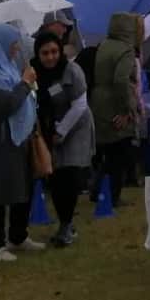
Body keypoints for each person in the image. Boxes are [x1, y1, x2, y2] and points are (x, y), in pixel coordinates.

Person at [0, 24, 46, 262]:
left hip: (20, 138)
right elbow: (5, 106)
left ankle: (18, 236)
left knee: (23, 187)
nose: (16, 49)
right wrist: (25, 84)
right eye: (12, 45)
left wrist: (28, 85)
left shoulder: (8, 68)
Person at [32, 32, 95, 247]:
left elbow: (80, 105)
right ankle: (65, 222)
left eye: (54, 52)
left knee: (69, 175)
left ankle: (66, 226)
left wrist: (61, 130)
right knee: (55, 177)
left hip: (74, 126)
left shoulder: (72, 71)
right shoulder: (33, 72)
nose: (50, 57)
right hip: (50, 127)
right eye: (45, 53)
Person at [90, 13, 145, 206]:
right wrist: (126, 110)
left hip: (98, 101)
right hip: (115, 102)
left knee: (108, 151)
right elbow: (121, 79)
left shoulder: (104, 45)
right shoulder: (125, 50)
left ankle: (97, 189)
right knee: (121, 152)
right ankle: (112, 196)